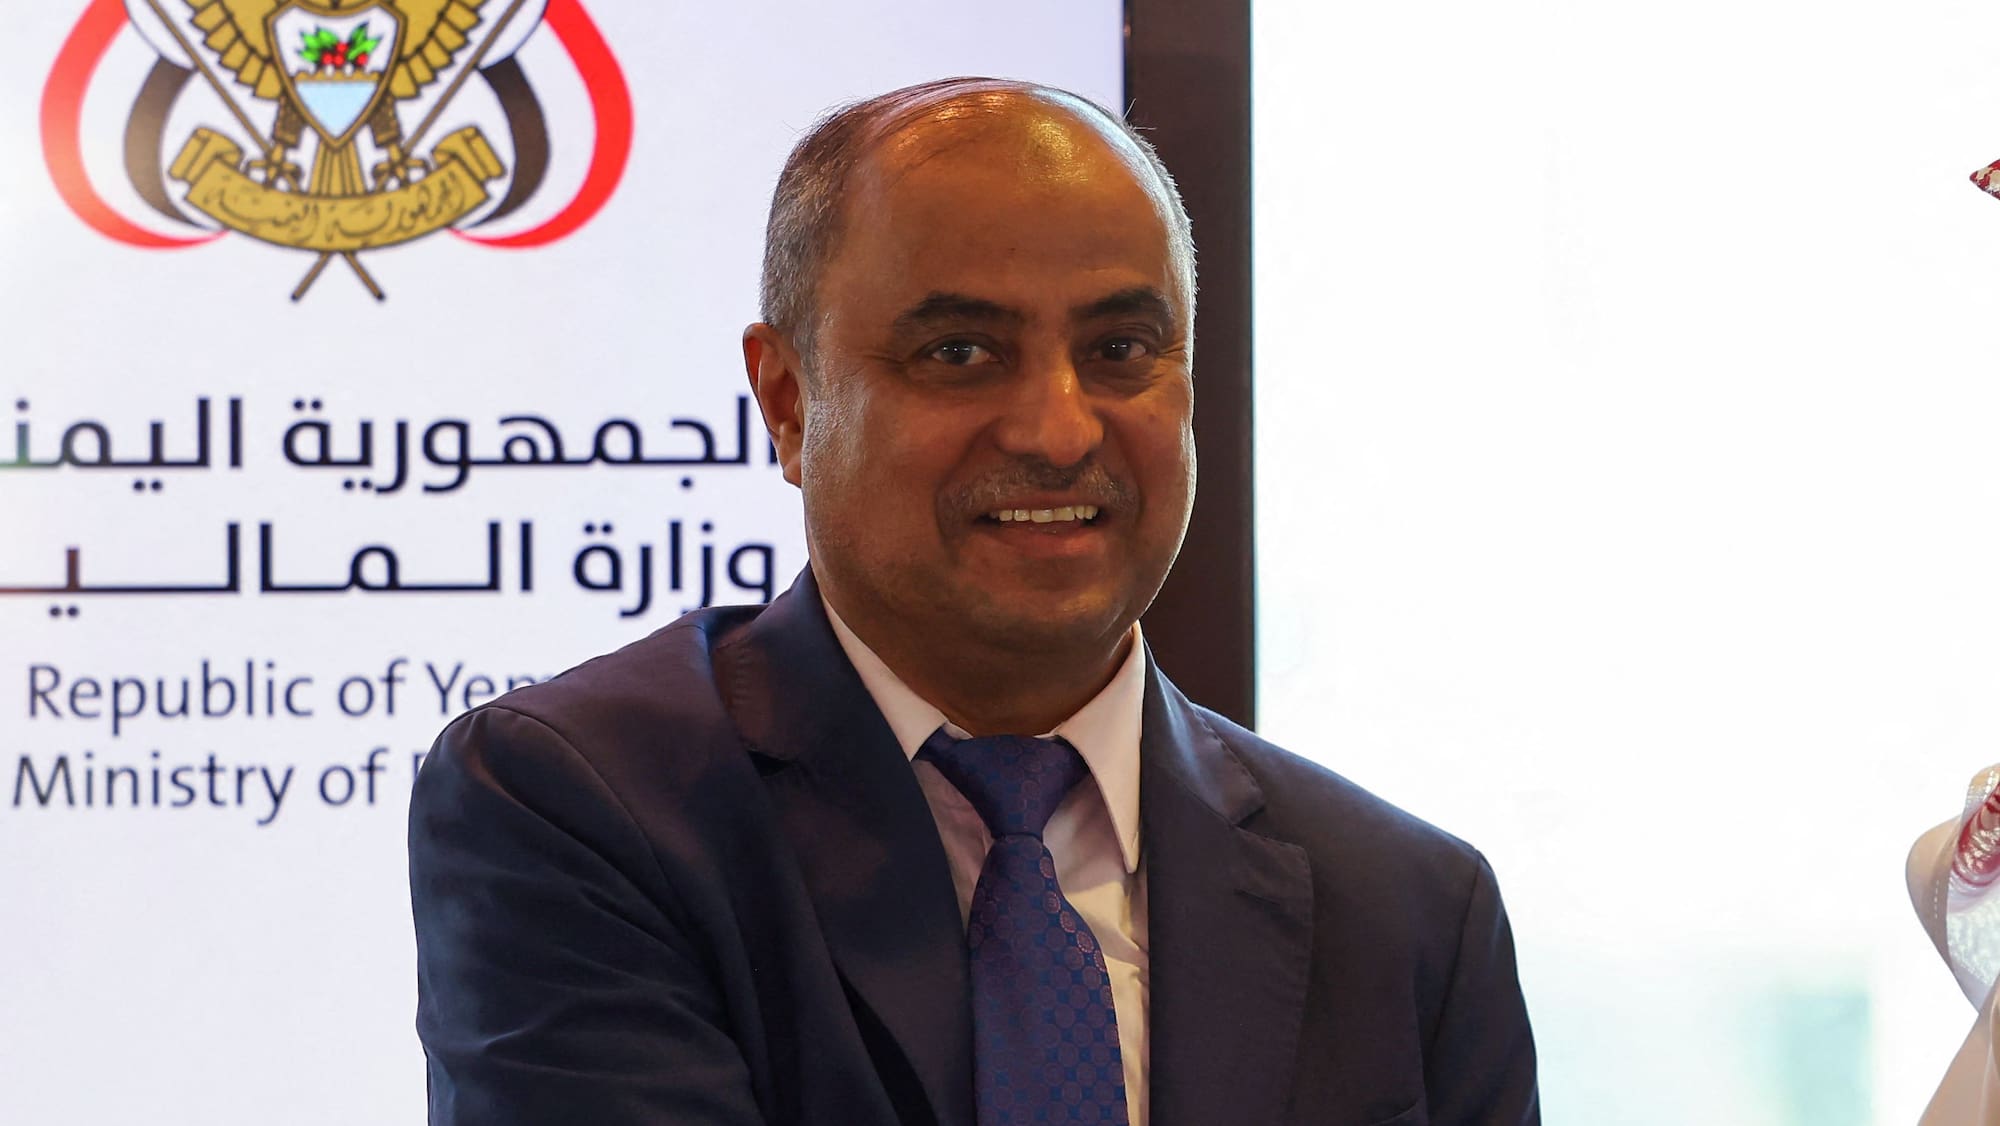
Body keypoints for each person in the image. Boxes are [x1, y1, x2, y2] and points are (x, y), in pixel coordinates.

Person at [409, 76, 1539, 1126]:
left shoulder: (1409, 910)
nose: (1059, 431)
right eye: (960, 353)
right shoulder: (580, 805)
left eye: (1120, 349)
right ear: (788, 400)